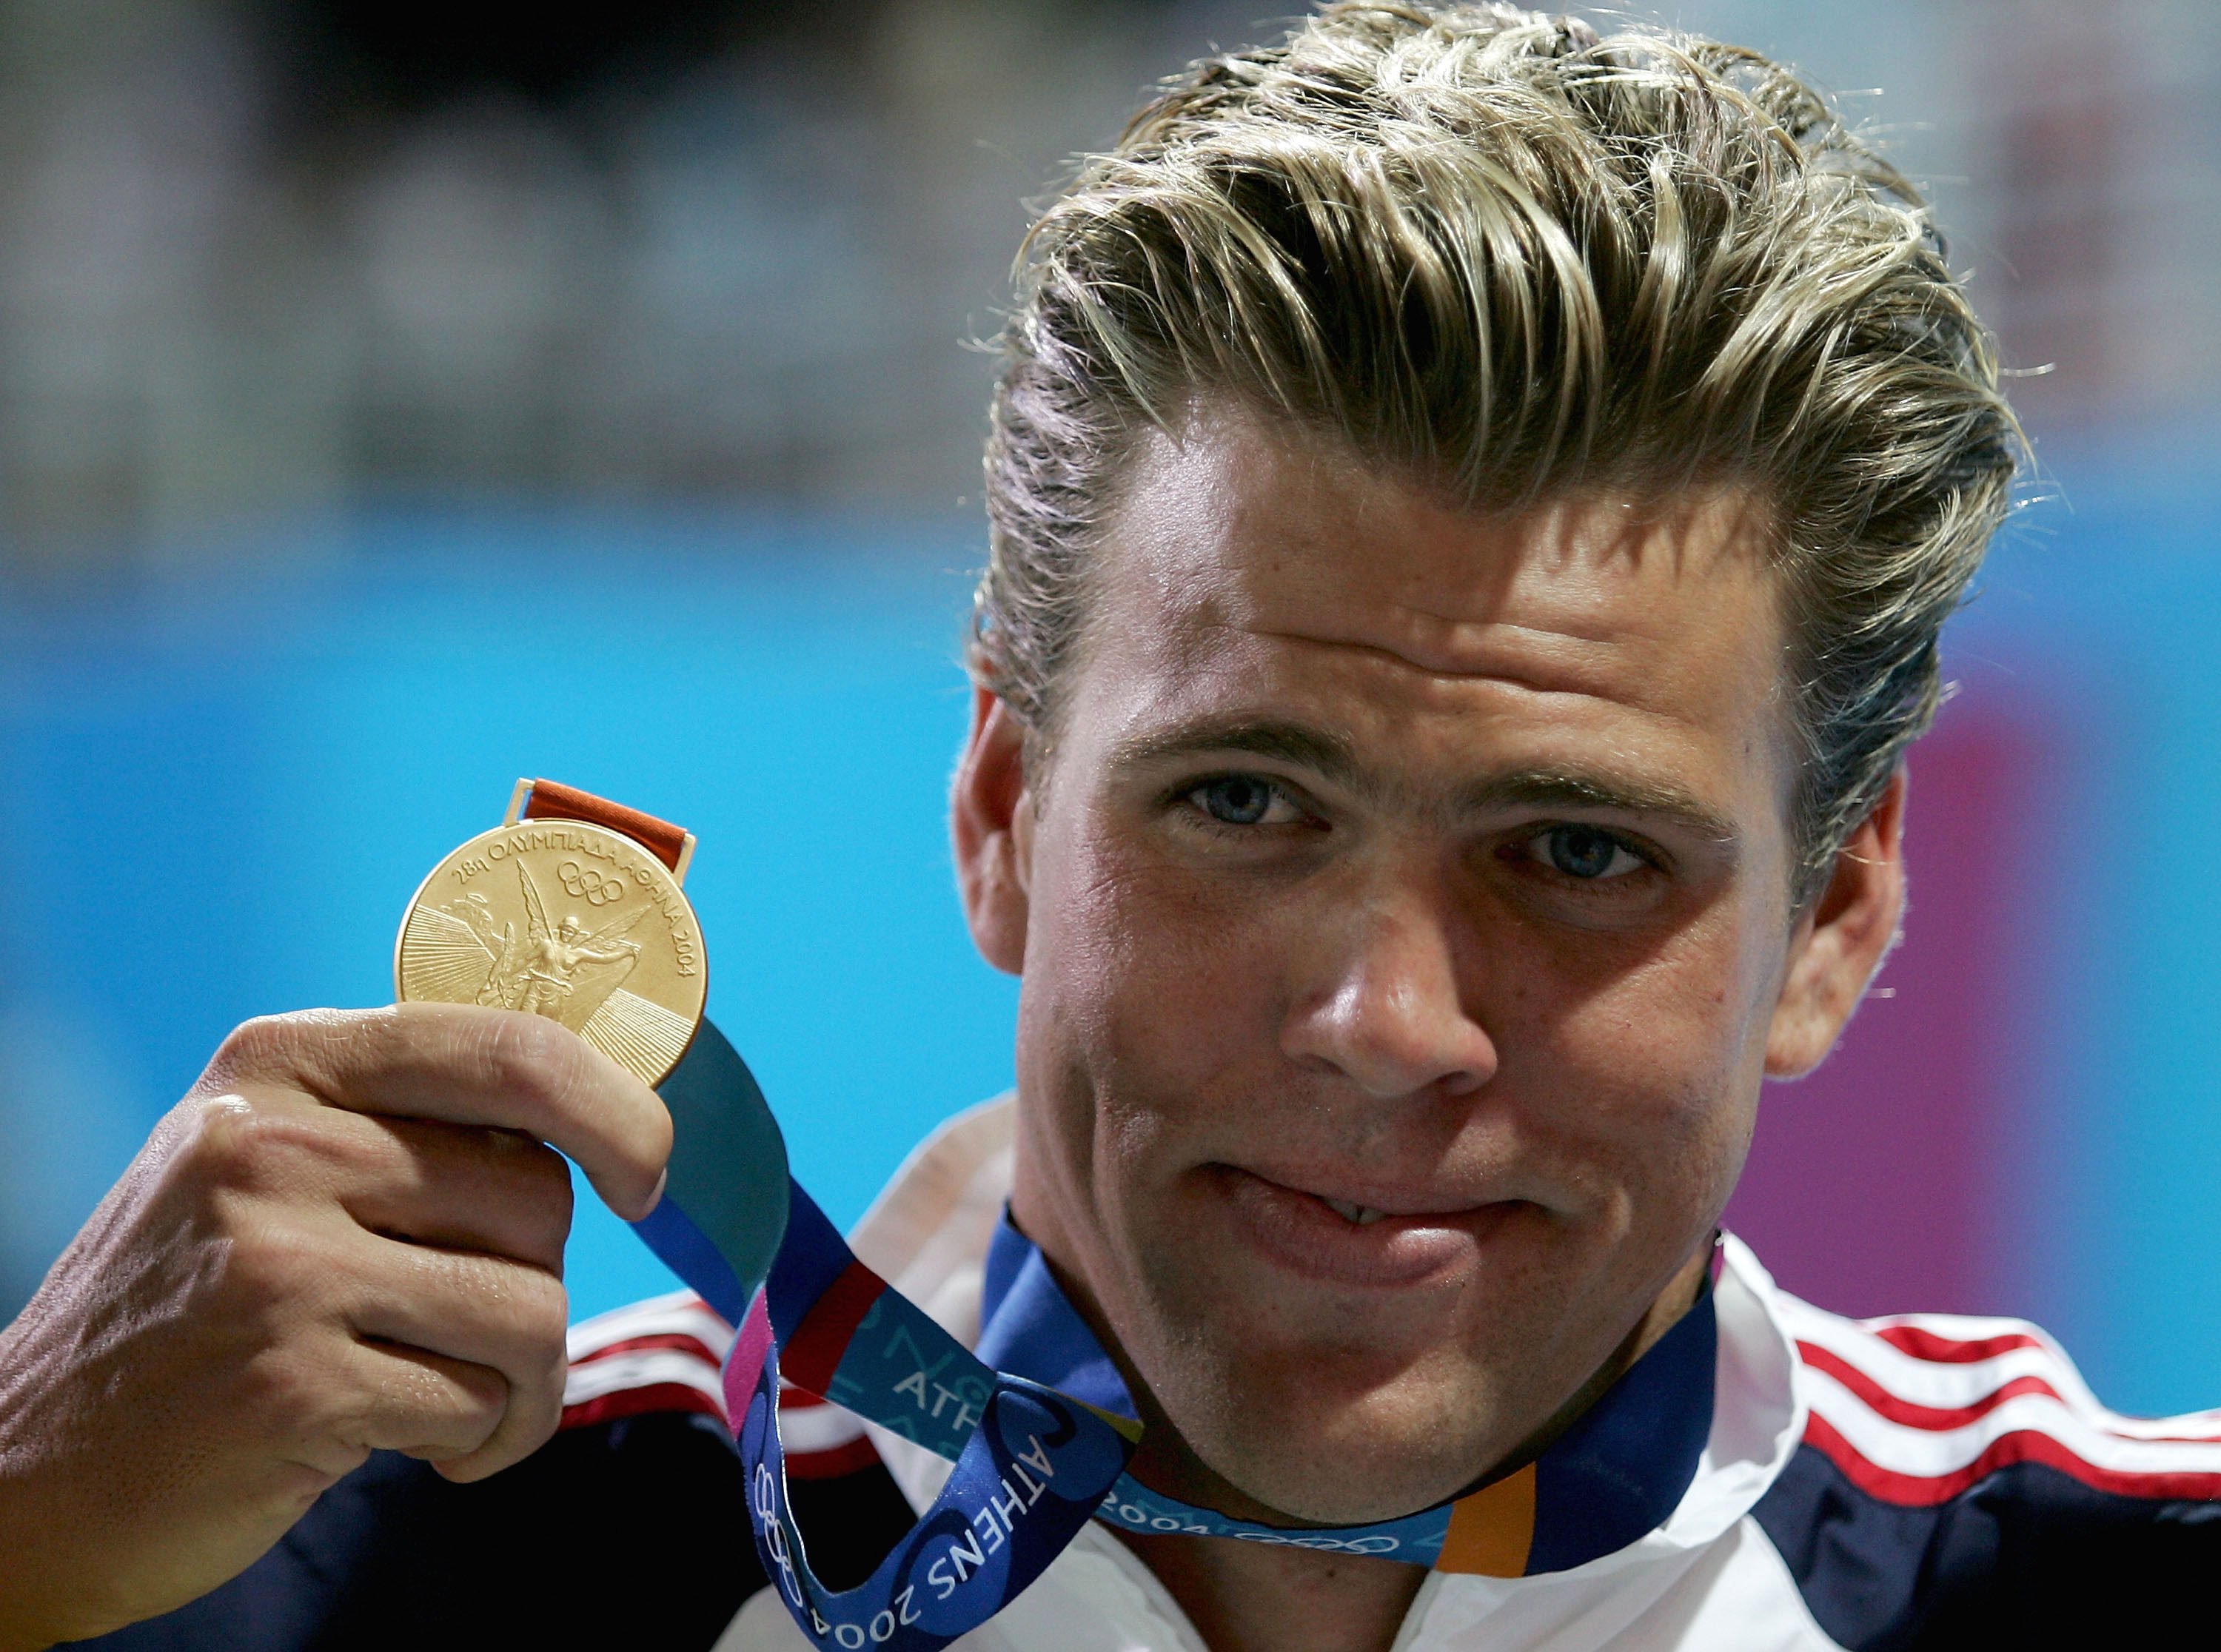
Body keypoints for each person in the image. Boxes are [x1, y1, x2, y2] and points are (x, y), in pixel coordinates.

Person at [3, 5, 2214, 1649]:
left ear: (1834, 913)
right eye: (1244, 801)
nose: (1382, 1025)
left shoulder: (2084, 1587)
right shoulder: (420, 1565)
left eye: (1579, 854)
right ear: (997, 811)